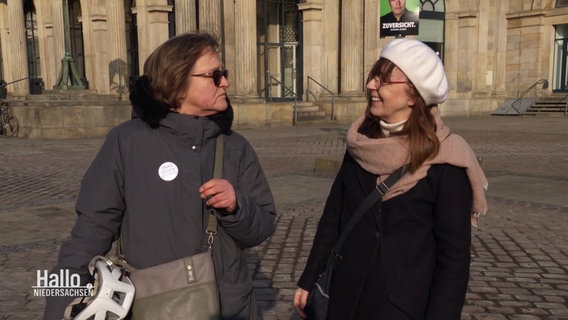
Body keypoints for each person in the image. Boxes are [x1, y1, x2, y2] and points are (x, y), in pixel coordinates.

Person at [43, 31, 276, 320]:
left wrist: (236, 206)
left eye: (224, 74)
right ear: (178, 83)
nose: (225, 82)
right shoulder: (127, 143)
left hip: (228, 307)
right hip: (151, 307)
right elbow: (90, 233)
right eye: (215, 76)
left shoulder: (235, 147)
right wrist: (58, 306)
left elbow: (263, 227)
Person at [293, 38, 488, 319]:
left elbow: (454, 261)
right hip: (343, 297)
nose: (371, 84)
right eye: (373, 75)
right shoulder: (362, 143)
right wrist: (309, 278)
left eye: (383, 79)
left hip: (400, 306)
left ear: (413, 95)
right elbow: (333, 217)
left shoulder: (448, 160)